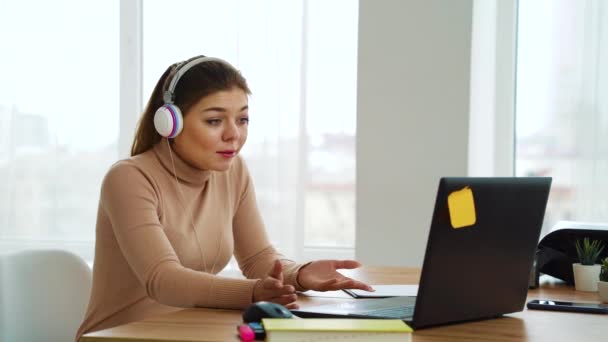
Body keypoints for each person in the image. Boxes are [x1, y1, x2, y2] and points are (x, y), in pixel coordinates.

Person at [75, 55, 372, 340]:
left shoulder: (232, 171)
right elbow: (162, 280)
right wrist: (253, 293)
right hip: (120, 337)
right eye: (215, 121)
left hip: (190, 332)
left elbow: (258, 257)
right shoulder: (129, 178)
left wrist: (301, 274)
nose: (234, 135)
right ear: (170, 123)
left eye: (242, 119)